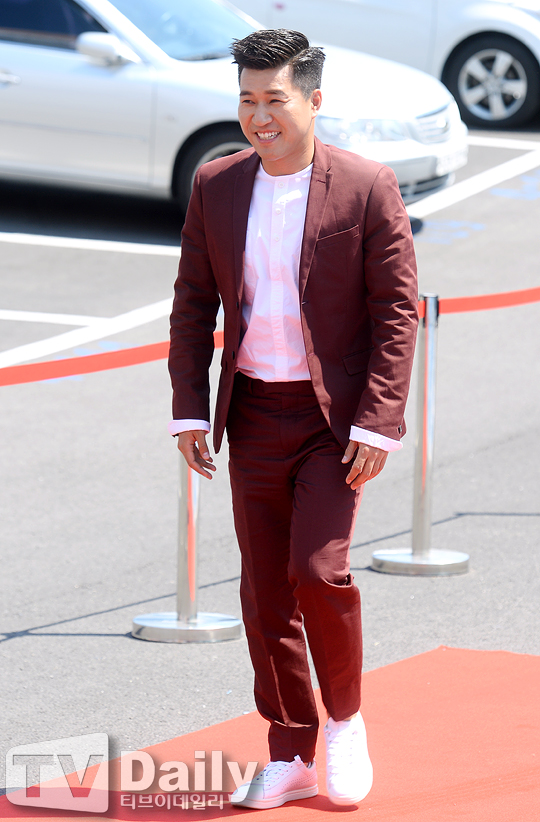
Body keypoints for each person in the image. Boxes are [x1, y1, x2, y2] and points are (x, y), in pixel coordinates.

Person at [168, 29, 418, 809]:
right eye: (246, 100)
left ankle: (345, 723)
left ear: (314, 100)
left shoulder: (366, 185)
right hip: (251, 413)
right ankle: (290, 750)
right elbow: (192, 304)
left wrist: (378, 421)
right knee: (264, 591)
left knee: (318, 572)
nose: (259, 116)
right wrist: (188, 407)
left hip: (332, 423)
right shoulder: (216, 184)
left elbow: (396, 311)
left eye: (274, 99)